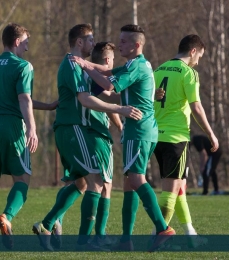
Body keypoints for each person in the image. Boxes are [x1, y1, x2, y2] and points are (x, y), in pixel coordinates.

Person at [32, 24, 142, 252]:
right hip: (75, 129)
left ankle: (47, 224)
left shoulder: (79, 66)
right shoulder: (73, 64)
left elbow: (107, 92)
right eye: (90, 40)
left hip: (74, 129)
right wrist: (120, 111)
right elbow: (85, 99)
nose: (93, 44)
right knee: (96, 182)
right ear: (79, 42)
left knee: (83, 183)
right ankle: (86, 240)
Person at [70, 24, 175, 252]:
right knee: (129, 184)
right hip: (144, 130)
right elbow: (107, 72)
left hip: (138, 131)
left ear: (137, 45)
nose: (120, 45)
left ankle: (162, 228)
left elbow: (108, 83)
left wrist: (84, 66)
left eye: (124, 42)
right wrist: (88, 65)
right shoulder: (135, 64)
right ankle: (126, 240)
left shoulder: (136, 66)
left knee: (136, 179)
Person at [51, 41, 123, 250]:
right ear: (108, 60)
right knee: (103, 184)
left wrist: (118, 124)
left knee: (76, 182)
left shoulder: (84, 72)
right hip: (96, 135)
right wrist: (122, 119)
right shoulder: (96, 79)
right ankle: (97, 235)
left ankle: (57, 219)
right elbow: (109, 98)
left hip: (76, 134)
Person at [153, 34, 219, 248]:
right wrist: (211, 134)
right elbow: (196, 107)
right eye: (199, 56)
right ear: (192, 51)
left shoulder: (159, 69)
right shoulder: (188, 72)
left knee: (179, 185)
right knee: (170, 191)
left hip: (156, 136)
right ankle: (158, 235)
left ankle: (191, 234)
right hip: (176, 138)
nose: (198, 61)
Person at [0, 23, 58, 250]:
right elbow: (23, 99)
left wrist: (48, 106)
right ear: (16, 42)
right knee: (22, 179)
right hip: (13, 127)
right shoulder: (23, 66)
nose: (27, 47)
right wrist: (32, 129)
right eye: (25, 42)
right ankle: (6, 217)